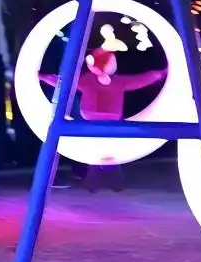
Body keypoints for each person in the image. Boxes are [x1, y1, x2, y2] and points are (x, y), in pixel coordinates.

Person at [38, 48, 167, 190]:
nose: (115, 64)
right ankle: (104, 181)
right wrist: (42, 77)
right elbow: (64, 83)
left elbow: (140, 80)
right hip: (99, 120)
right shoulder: (95, 80)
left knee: (106, 149)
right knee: (102, 149)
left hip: (104, 120)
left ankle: (108, 181)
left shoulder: (108, 81)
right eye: (112, 61)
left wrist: (159, 74)